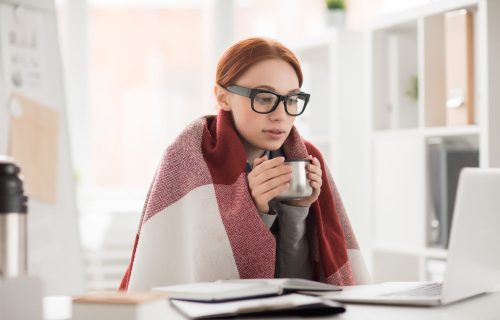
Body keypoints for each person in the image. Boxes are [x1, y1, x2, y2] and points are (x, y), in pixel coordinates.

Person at [119, 37, 369, 291]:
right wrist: (253, 212)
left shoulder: (305, 158)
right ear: (223, 97)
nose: (280, 115)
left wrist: (298, 208)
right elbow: (202, 282)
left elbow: (297, 284)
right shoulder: (187, 159)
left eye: (292, 100)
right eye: (263, 98)